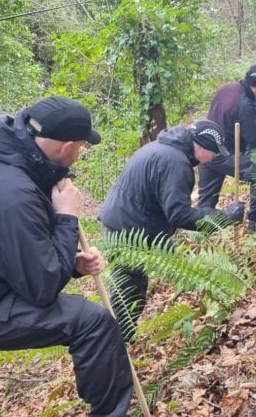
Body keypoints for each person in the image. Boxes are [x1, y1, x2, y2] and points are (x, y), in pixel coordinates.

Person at [0, 96, 133, 417]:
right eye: (82, 147)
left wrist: (71, 264)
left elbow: (10, 250)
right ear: (66, 147)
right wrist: (67, 218)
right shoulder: (11, 191)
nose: (81, 153)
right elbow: (41, 288)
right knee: (92, 323)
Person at [98, 120, 244, 342]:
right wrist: (222, 218)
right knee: (129, 292)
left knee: (131, 288)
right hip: (127, 232)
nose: (213, 158)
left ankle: (121, 341)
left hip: (123, 224)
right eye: (213, 152)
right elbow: (179, 215)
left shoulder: (162, 147)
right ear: (202, 147)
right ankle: (118, 345)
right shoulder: (176, 163)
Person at [197, 64, 256, 234]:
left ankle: (202, 233)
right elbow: (252, 137)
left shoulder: (227, 88)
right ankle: (254, 222)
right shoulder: (244, 104)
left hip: (203, 148)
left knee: (206, 201)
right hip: (224, 152)